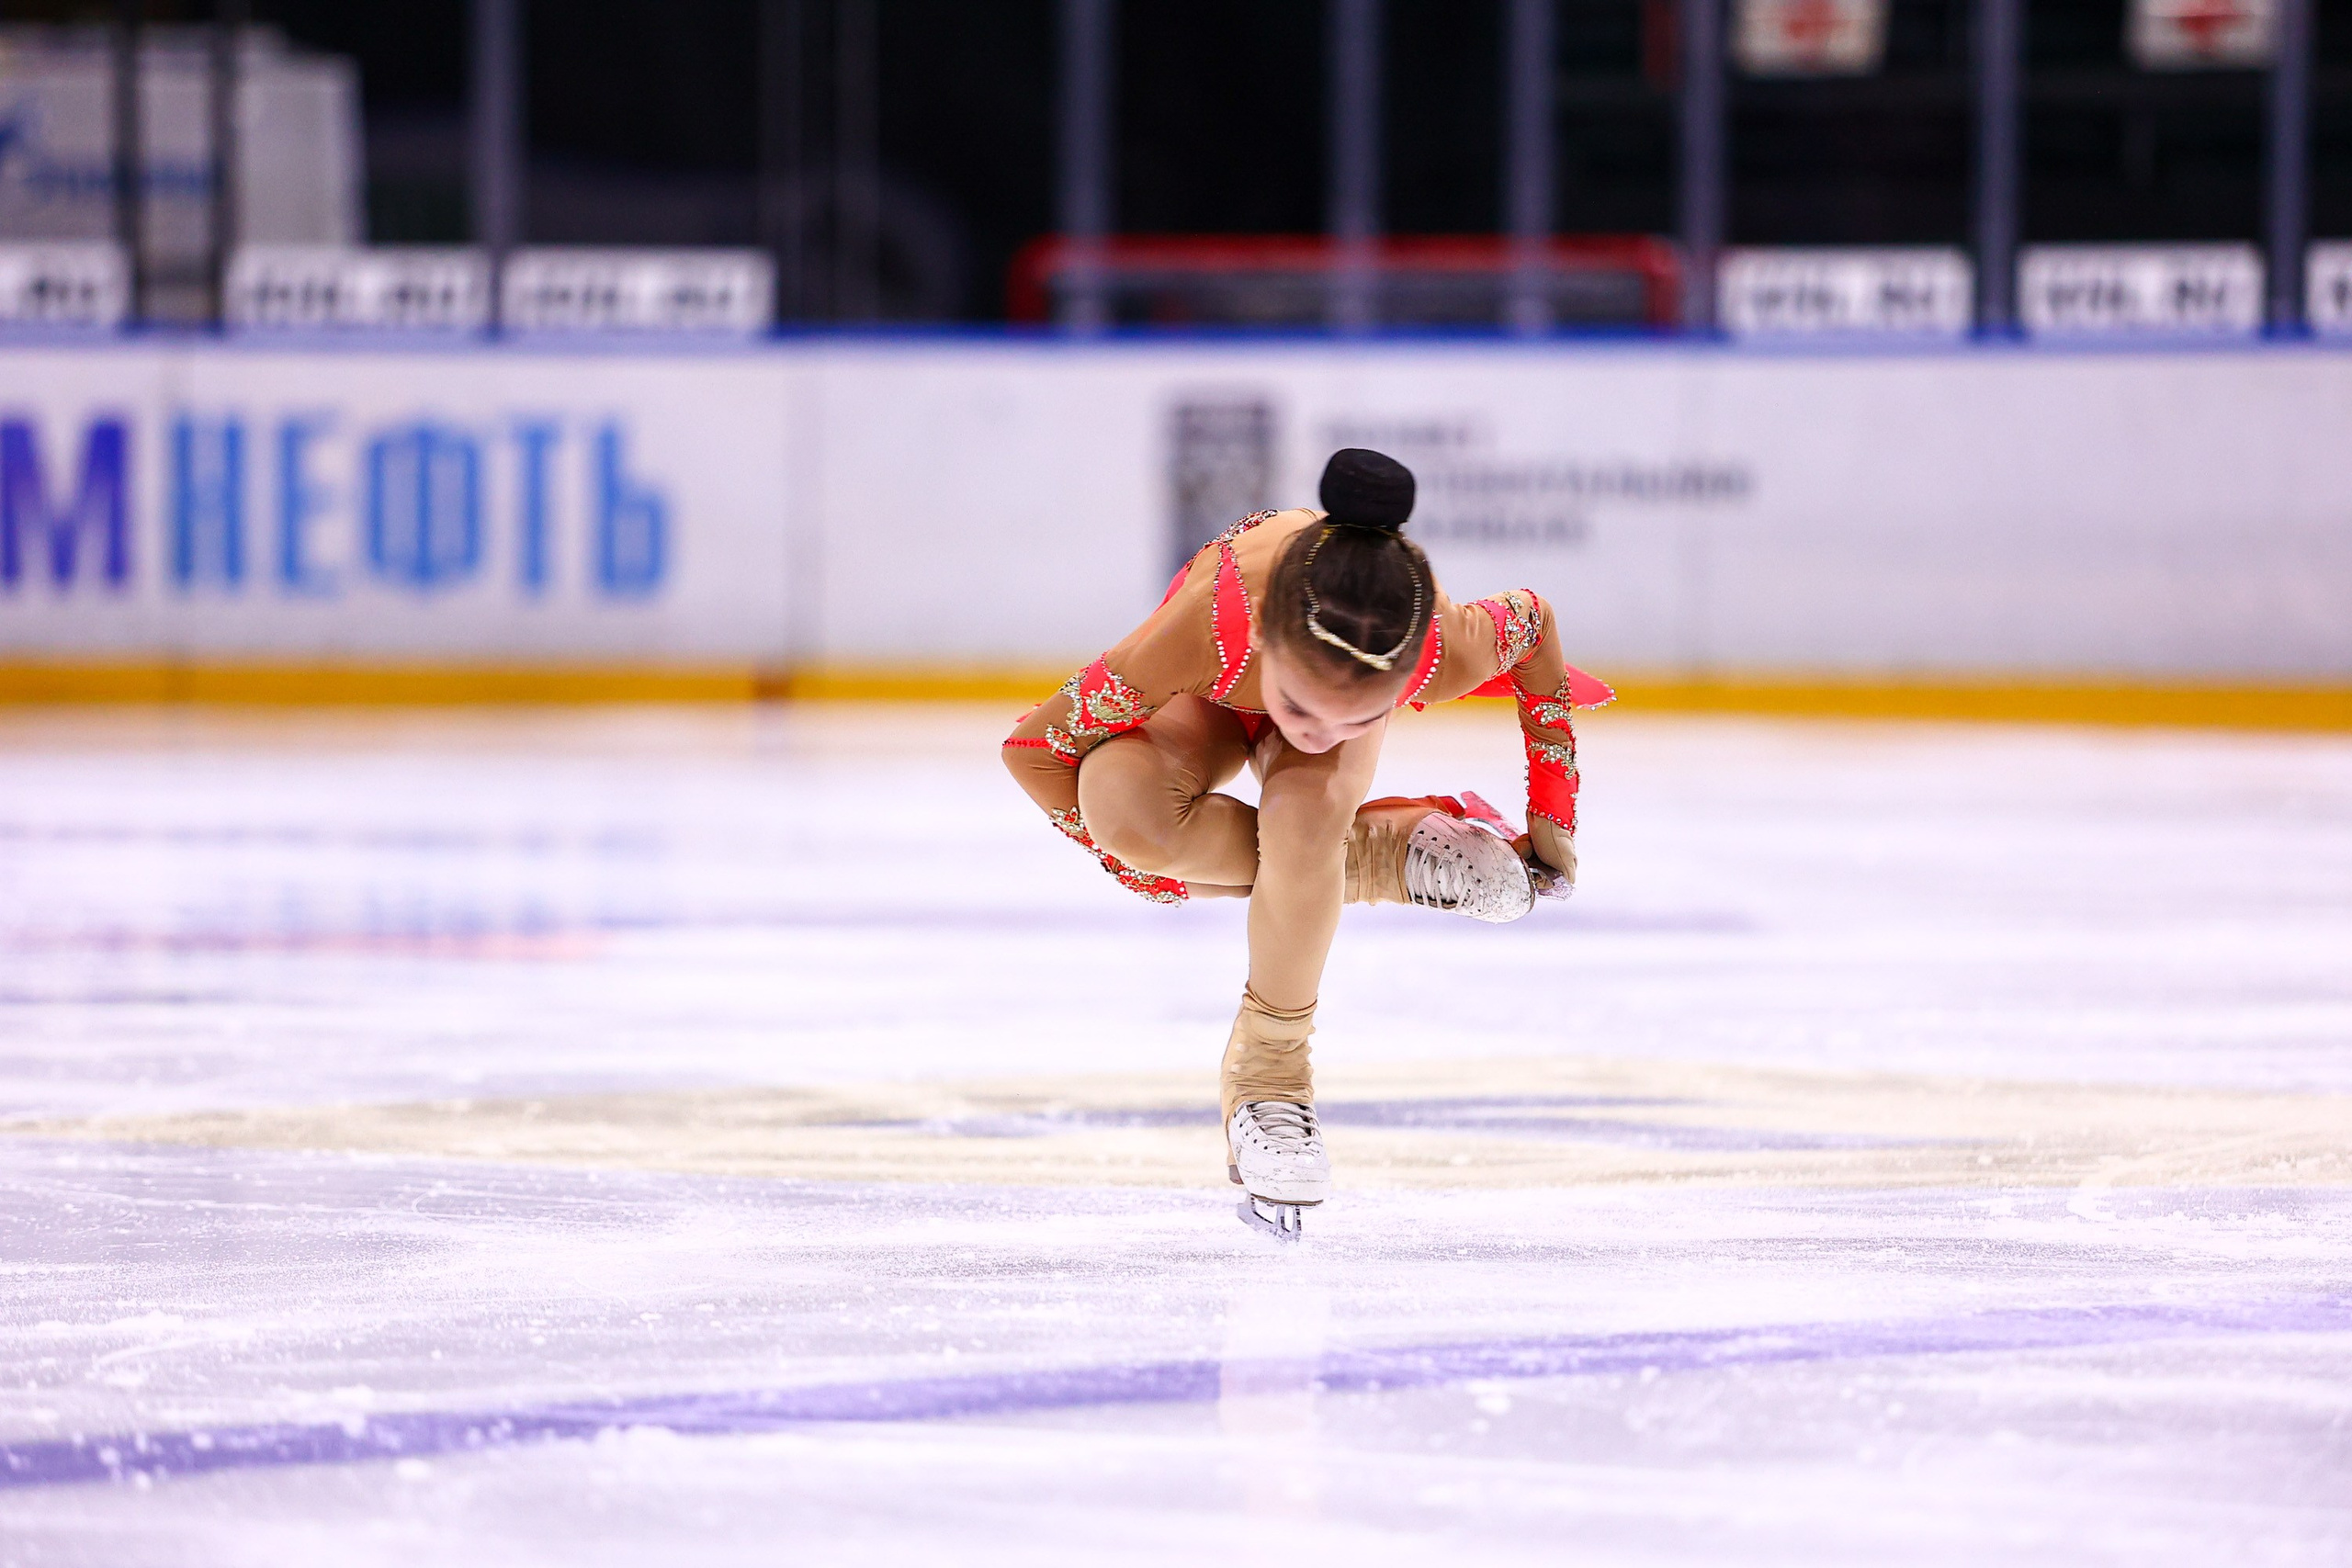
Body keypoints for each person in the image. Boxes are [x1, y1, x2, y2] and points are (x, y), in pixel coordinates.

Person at [1001, 447, 1611, 1237]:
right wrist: (1147, 868)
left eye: (1358, 718)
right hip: (1216, 690)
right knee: (1121, 806)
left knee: (1302, 817)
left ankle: (1271, 1077)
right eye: (1298, 703)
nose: (1320, 731)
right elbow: (1036, 752)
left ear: (1405, 680)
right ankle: (1379, 856)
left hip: (1290, 744)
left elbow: (1534, 623)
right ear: (1269, 647)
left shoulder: (1440, 646)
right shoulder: (1208, 629)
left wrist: (1554, 818)